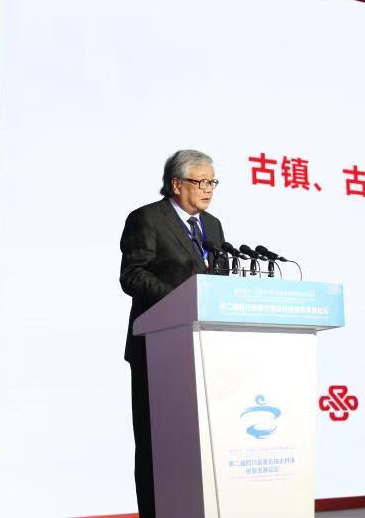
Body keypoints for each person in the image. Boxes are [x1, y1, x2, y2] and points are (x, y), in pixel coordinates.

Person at [119, 149, 226, 518]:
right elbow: (133, 275)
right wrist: (182, 302)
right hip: (157, 346)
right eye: (202, 181)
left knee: (198, 440)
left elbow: (217, 280)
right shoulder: (147, 218)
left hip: (203, 347)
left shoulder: (213, 226)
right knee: (155, 441)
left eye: (212, 182)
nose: (208, 189)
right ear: (177, 184)